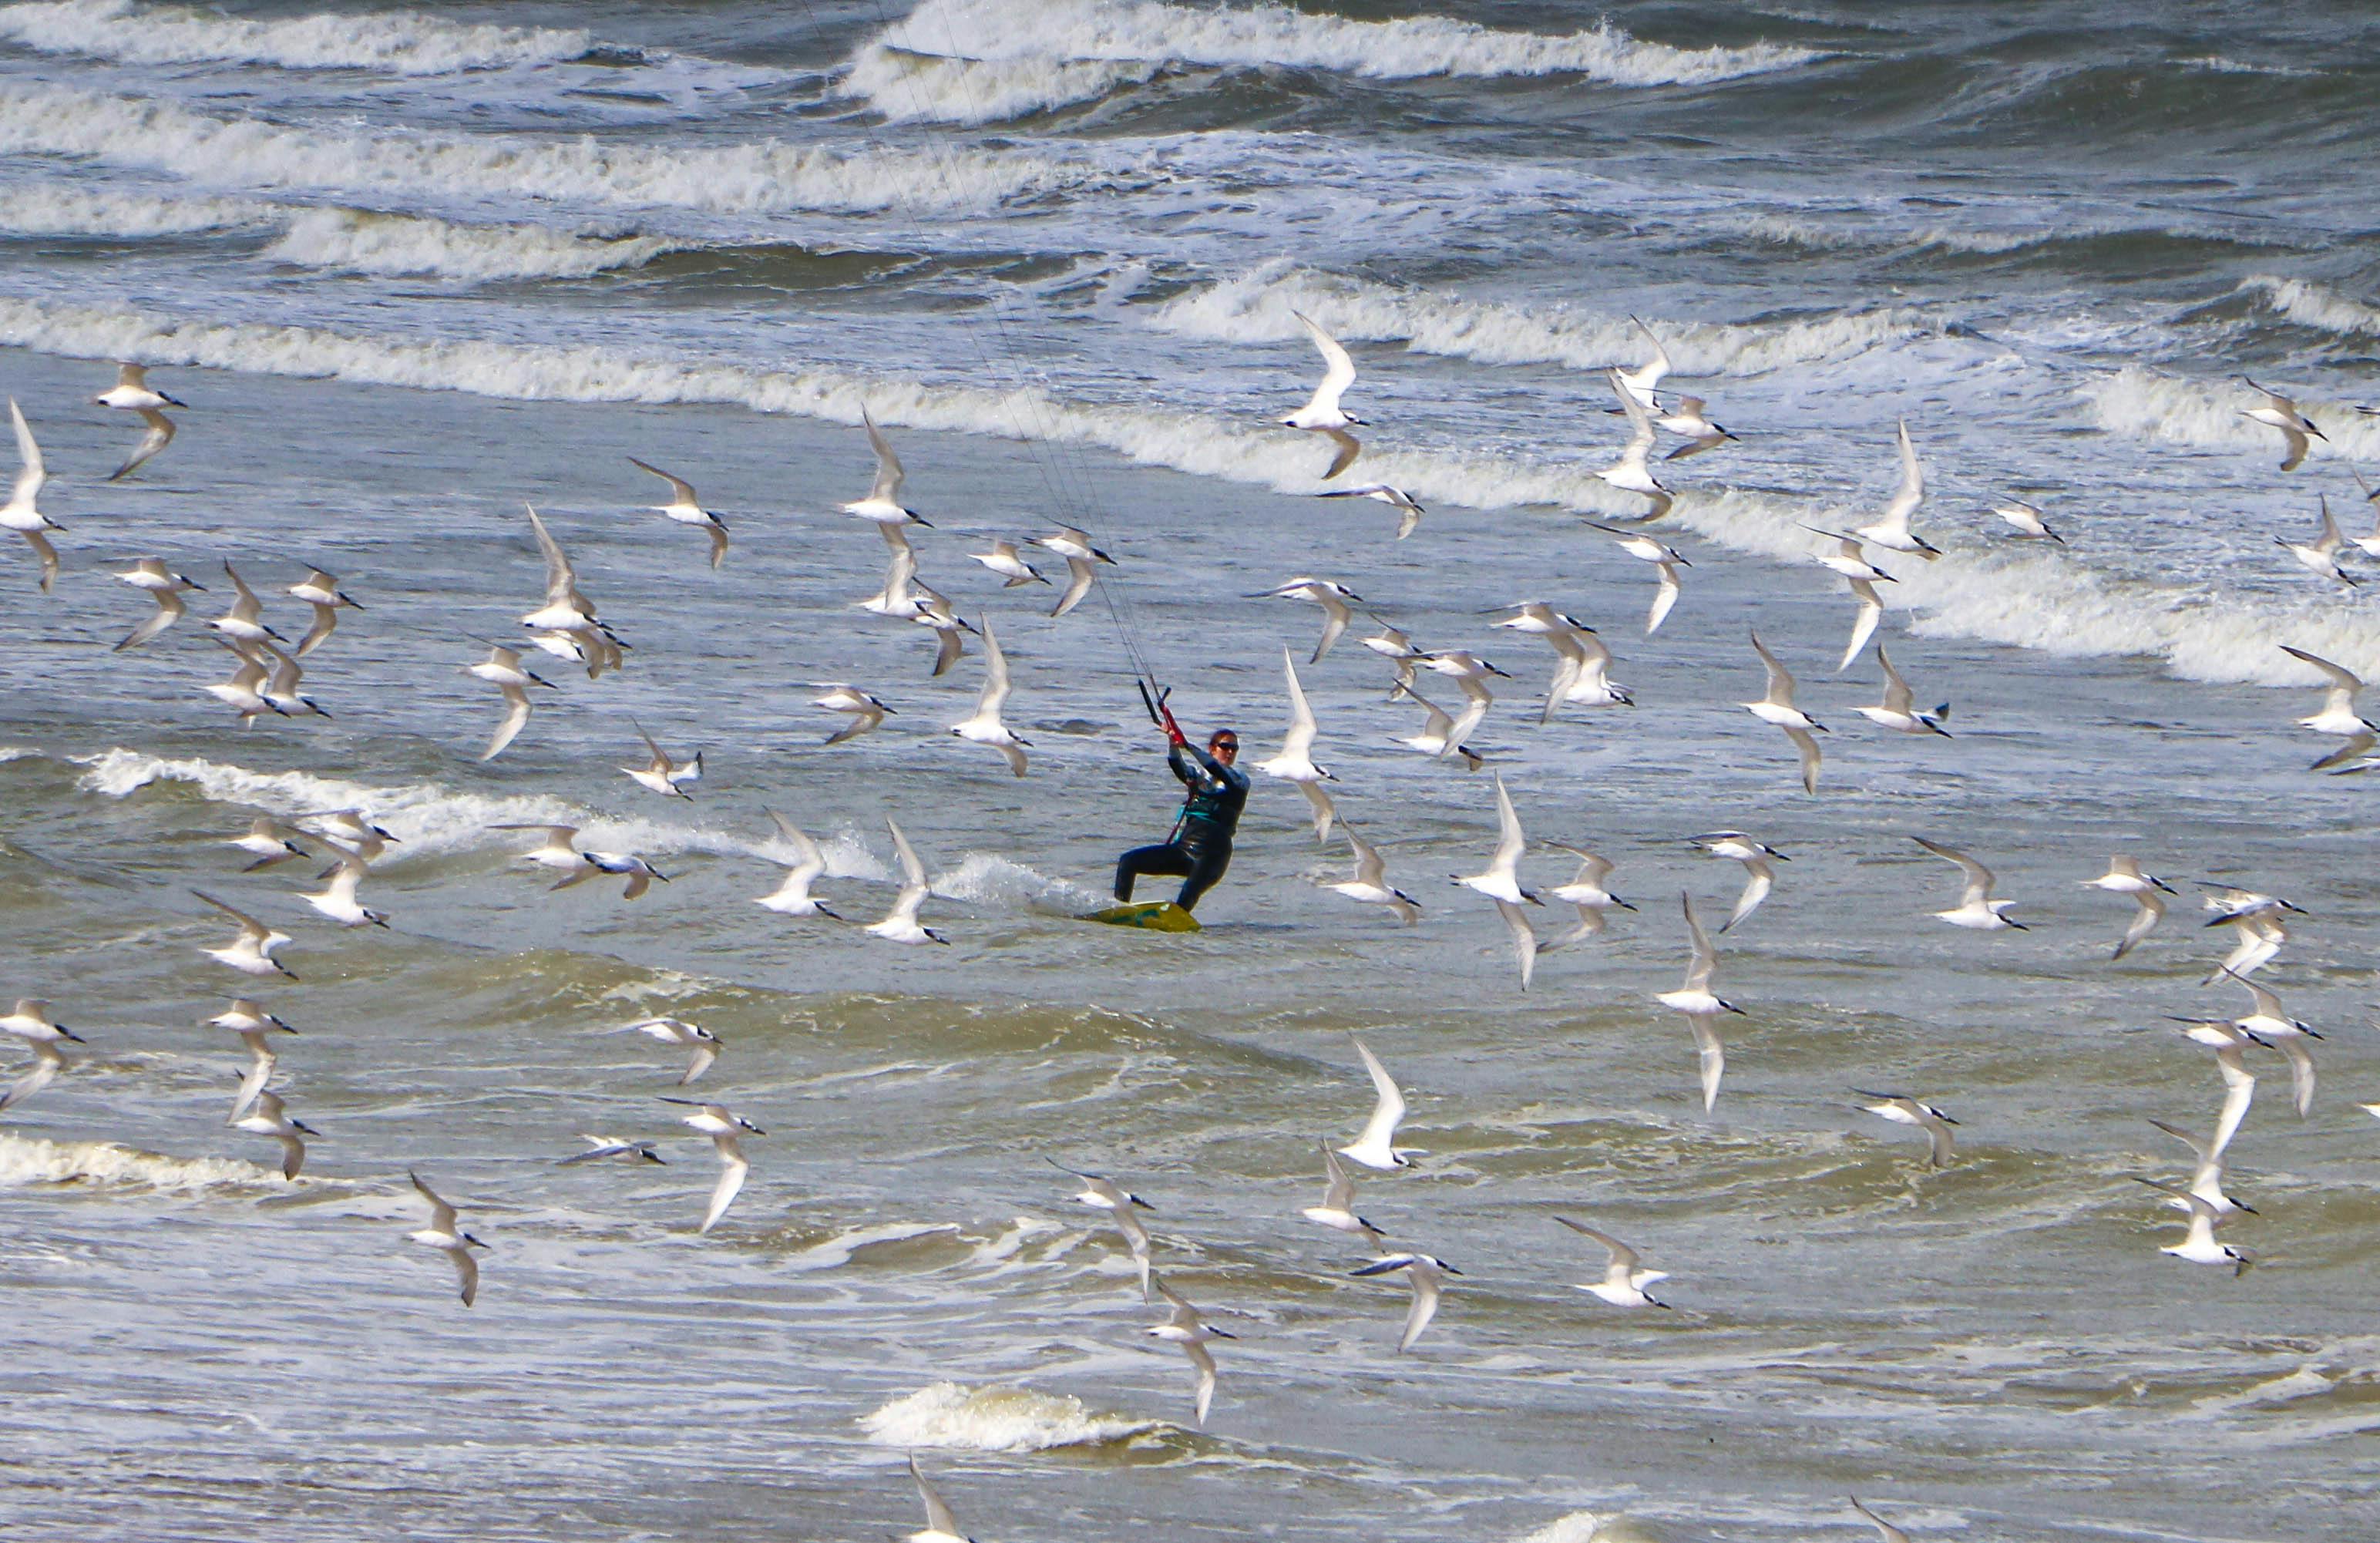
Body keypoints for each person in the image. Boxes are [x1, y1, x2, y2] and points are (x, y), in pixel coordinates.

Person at [1114, 704, 1246, 914]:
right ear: (1213, 749)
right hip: (1185, 848)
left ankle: (1176, 922)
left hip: (1213, 855)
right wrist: (1173, 742)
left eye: (1234, 748)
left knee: (1188, 894)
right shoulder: (1198, 777)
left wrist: (1188, 745)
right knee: (1128, 861)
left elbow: (1217, 770)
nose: (1230, 752)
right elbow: (1178, 766)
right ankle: (1119, 911)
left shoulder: (1240, 780)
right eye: (1225, 746)